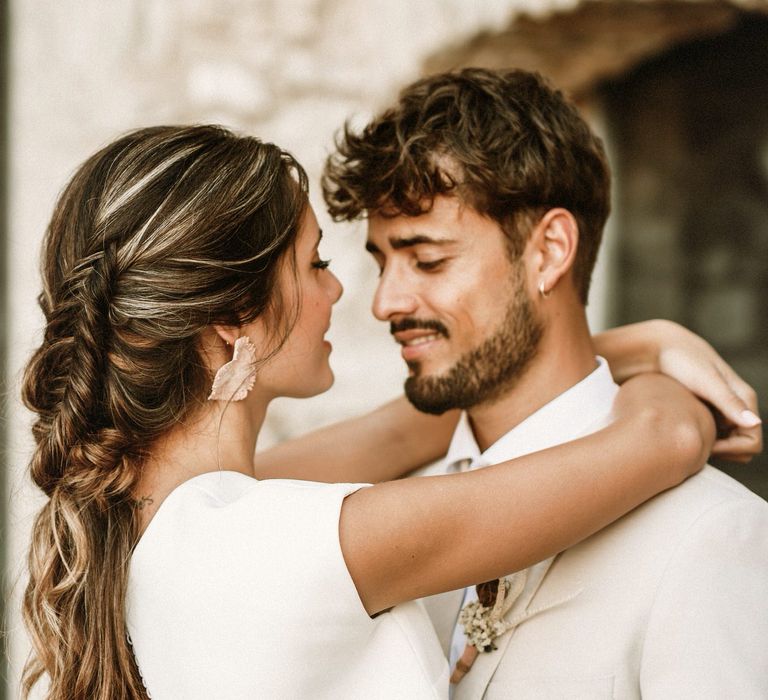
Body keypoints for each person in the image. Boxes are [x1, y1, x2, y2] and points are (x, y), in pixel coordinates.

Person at [19, 125, 746, 700]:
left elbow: (403, 427)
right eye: (315, 265)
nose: (350, 297)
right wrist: (659, 356)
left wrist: (626, 344)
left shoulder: (167, 510)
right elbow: (668, 435)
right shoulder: (266, 541)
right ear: (234, 317)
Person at [316, 68, 768, 698]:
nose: (386, 302)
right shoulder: (388, 518)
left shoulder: (712, 536)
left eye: (427, 259)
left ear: (551, 250)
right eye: (382, 262)